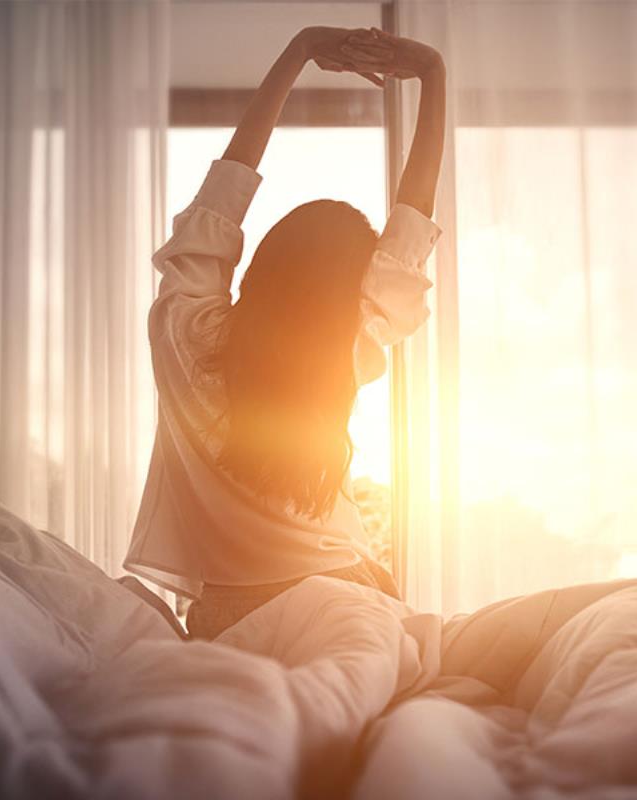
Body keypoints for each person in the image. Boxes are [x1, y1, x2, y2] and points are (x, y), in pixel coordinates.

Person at [124, 26, 446, 639]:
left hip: (226, 615)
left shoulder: (182, 331)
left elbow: (221, 197)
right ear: (348, 291)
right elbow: (411, 226)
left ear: (264, 262)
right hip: (347, 596)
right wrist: (432, 74)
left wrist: (298, 52)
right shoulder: (346, 350)